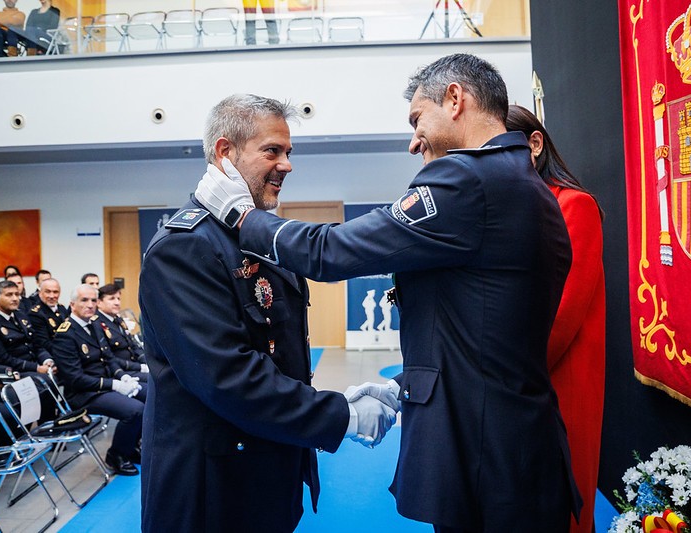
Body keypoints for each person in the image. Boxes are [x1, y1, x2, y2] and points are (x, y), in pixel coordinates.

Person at [212, 54, 582, 532]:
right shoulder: (526, 184)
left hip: (482, 454)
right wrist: (407, 383)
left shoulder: (466, 179)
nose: (413, 142)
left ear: (455, 99)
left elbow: (331, 252)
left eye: (416, 119)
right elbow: (482, 327)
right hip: (516, 447)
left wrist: (245, 219)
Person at [138, 94, 396, 532]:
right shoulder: (184, 247)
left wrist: (334, 398)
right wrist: (340, 416)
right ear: (225, 152)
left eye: (288, 152)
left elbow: (278, 349)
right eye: (272, 150)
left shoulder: (254, 232)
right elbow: (228, 377)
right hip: (213, 493)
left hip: (266, 473)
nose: (287, 164)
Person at [506, 104, 605, 533]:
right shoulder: (517, 207)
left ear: (534, 144)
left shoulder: (575, 206)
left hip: (556, 380)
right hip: (519, 381)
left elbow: (562, 315)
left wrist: (500, 377)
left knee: (560, 508)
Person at [51, 284, 145, 476]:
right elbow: (75, 379)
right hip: (84, 394)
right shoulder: (65, 334)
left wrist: (122, 375)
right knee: (135, 410)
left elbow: (108, 357)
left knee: (150, 394)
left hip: (104, 384)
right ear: (72, 305)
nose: (90, 305)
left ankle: (131, 446)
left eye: (93, 300)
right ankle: (116, 455)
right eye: (84, 300)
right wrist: (114, 384)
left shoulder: (94, 325)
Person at [0, 280, 55, 377]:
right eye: (9, 295)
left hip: (35, 364)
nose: (15, 298)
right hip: (14, 372)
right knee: (47, 380)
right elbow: (3, 358)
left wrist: (47, 360)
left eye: (17, 294)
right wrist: (36, 367)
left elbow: (36, 345)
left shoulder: (21, 315)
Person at [96, 283, 148, 379]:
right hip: (120, 372)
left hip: (133, 367)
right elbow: (109, 357)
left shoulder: (118, 320)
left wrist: (146, 362)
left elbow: (133, 345)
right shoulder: (97, 323)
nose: (117, 302)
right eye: (112, 299)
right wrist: (140, 367)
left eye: (118, 298)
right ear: (99, 303)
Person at [28, 277, 68, 353]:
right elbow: (43, 343)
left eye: (55, 292)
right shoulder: (35, 313)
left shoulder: (62, 308)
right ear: (40, 293)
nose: (52, 296)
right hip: (54, 353)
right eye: (48, 292)